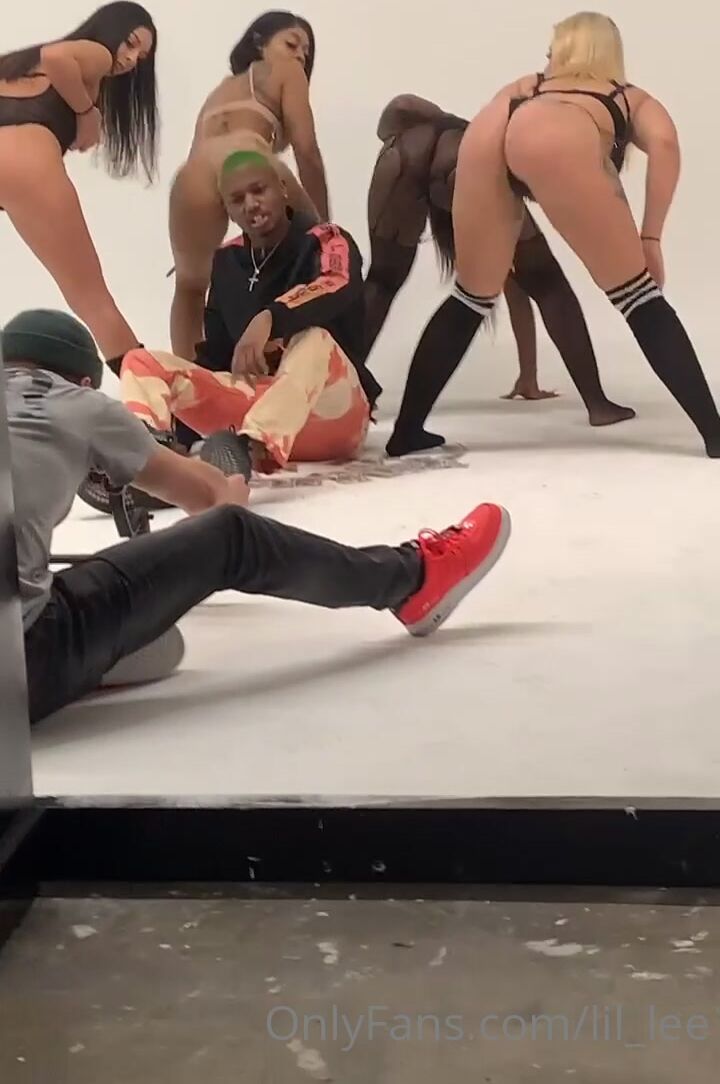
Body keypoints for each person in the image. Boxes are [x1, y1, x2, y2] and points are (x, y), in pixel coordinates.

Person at [3, 308, 512, 725]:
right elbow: (209, 500)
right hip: (21, 664)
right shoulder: (82, 405)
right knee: (231, 536)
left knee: (154, 646)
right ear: (85, 381)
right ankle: (414, 581)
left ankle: (92, 652)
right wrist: (231, 482)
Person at [450, 11, 720, 458]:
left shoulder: (526, 86)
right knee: (639, 298)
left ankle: (407, 430)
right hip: (560, 137)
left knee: (469, 299)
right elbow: (665, 145)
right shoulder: (626, 96)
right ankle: (715, 433)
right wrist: (650, 238)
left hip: (490, 134)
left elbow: (486, 133)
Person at [363, 93, 634, 458]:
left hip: (399, 159)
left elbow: (398, 108)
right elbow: (525, 282)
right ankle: (597, 403)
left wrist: (528, 375)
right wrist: (529, 376)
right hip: (461, 162)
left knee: (381, 282)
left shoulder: (456, 131)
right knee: (548, 282)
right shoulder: (505, 164)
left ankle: (342, 400)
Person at [124, 150, 379, 480]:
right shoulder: (226, 261)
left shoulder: (327, 240)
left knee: (314, 339)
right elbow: (216, 356)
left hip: (333, 415)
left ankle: (251, 448)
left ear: (282, 189)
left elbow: (337, 282)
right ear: (228, 211)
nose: (251, 204)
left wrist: (270, 318)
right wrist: (184, 431)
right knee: (140, 361)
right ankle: (149, 463)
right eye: (237, 199)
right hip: (256, 408)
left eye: (259, 190)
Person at [0, 3, 158, 369]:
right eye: (130, 43)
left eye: (141, 57)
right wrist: (88, 114)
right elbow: (57, 57)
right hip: (23, 164)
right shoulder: (96, 53)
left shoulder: (18, 65)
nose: (130, 59)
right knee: (93, 300)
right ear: (110, 29)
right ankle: (156, 396)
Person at [169, 10, 330, 362]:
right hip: (247, 155)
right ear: (259, 42)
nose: (300, 56)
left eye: (306, 53)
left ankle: (186, 381)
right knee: (318, 261)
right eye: (292, 44)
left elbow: (198, 152)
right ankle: (302, 366)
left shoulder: (219, 91)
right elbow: (306, 150)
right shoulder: (286, 72)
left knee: (190, 285)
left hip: (191, 175)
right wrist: (325, 225)